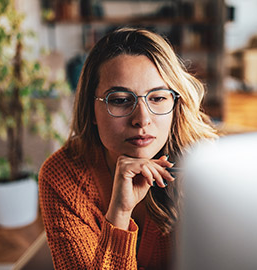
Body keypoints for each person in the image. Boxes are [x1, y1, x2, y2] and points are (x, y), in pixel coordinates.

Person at [38, 27, 218, 270]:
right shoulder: (62, 176)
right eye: (121, 100)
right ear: (91, 109)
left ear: (175, 103)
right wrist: (120, 213)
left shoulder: (201, 163)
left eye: (157, 98)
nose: (142, 119)